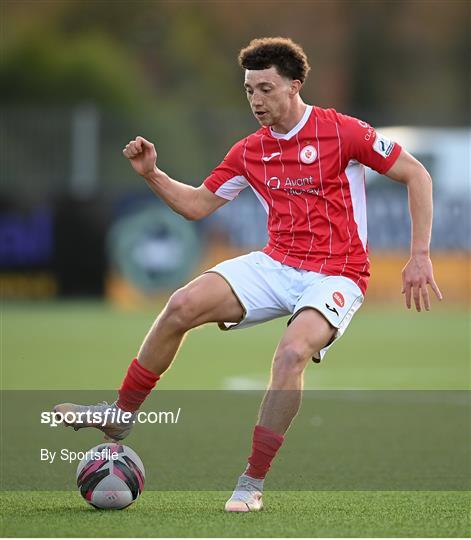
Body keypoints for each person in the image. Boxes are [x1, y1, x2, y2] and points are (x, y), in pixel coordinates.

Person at [55, 37, 442, 512]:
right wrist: (152, 175)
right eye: (248, 90)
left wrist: (419, 253)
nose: (256, 100)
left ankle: (251, 481)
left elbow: (416, 173)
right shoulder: (249, 152)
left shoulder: (342, 132)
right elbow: (198, 205)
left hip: (337, 273)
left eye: (266, 88)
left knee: (293, 351)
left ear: (294, 85)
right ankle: (120, 416)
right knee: (180, 305)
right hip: (276, 263)